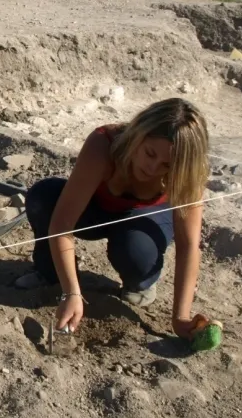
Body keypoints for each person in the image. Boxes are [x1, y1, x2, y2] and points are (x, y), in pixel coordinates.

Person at [15, 98, 211, 341]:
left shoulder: (189, 171)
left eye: (166, 165)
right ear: (138, 136)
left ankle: (140, 282)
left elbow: (188, 245)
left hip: (144, 220)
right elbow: (62, 224)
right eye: (149, 154)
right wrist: (71, 293)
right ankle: (50, 272)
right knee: (43, 198)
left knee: (135, 250)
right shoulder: (104, 143)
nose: (152, 168)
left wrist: (181, 317)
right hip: (97, 208)